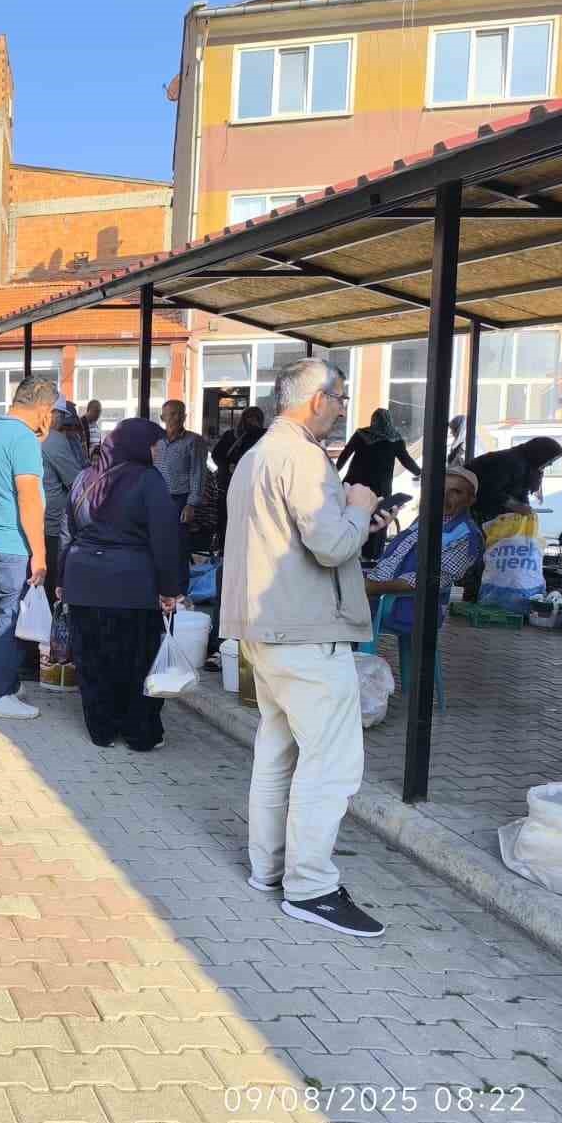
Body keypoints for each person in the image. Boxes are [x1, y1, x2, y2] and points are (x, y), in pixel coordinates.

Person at [221, 356, 393, 938]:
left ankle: (269, 870)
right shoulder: (302, 456)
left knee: (277, 752)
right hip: (306, 632)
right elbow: (328, 546)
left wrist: (349, 520)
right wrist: (361, 507)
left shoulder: (256, 455)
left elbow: (297, 539)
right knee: (332, 762)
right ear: (317, 399)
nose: (344, 408)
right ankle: (312, 887)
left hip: (265, 629)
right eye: (340, 398)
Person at [61, 420, 188, 751]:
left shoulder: (84, 478)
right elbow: (165, 538)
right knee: (136, 660)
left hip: (82, 580)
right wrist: (170, 588)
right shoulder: (148, 481)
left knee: (93, 659)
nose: (156, 452)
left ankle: (101, 729)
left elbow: (67, 530)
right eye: (153, 445)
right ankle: (139, 732)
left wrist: (62, 578)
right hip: (131, 585)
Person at [0, 375, 54, 720]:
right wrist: (41, 553)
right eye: (51, 410)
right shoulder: (23, 439)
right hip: (14, 543)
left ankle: (7, 682)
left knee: (6, 614)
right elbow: (29, 498)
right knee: (11, 618)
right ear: (43, 408)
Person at [366, 466, 484, 638]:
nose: (444, 497)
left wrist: (372, 588)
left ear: (470, 499)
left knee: (331, 618)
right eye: (440, 490)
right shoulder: (424, 520)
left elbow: (432, 578)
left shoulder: (467, 536)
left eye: (456, 492)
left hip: (404, 607)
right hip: (378, 595)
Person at [337, 409, 422, 561]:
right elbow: (406, 460)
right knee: (378, 519)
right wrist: (420, 473)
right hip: (380, 489)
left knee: (350, 517)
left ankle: (348, 551)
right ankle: (372, 558)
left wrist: (334, 472)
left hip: (356, 486)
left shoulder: (362, 434)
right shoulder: (394, 439)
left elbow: (345, 454)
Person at [40, 404, 86, 600]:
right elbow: (75, 480)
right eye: (62, 415)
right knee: (53, 577)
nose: (64, 421)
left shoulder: (36, 437)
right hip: (54, 521)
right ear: (53, 414)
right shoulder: (54, 440)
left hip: (38, 517)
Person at [210, 406, 267, 554]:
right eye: (249, 418)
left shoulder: (264, 437)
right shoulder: (231, 436)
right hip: (228, 485)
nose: (252, 422)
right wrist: (228, 466)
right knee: (227, 522)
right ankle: (224, 551)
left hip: (253, 488)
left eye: (256, 419)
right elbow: (217, 455)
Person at [468, 436, 562, 522]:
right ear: (541, 455)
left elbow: (522, 492)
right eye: (549, 460)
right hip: (472, 507)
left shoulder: (527, 465)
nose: (550, 464)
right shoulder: (512, 463)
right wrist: (516, 506)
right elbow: (489, 490)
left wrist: (525, 509)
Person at [153, 400, 207, 527]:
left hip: (180, 500)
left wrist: (191, 505)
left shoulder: (194, 441)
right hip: (157, 498)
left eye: (180, 414)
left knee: (177, 540)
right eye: (172, 414)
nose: (177, 418)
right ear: (163, 418)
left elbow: (198, 473)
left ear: (185, 416)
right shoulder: (156, 441)